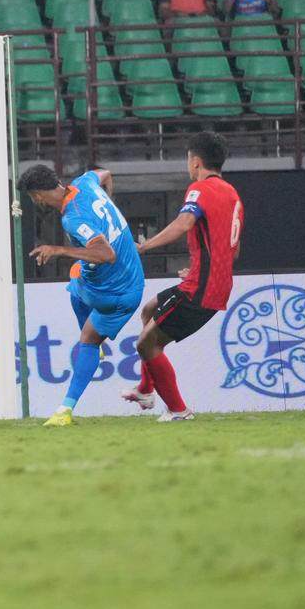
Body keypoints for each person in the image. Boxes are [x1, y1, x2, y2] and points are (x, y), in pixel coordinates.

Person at [127, 132, 244, 421]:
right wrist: (199, 269)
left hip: (200, 289)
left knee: (146, 344)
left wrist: (145, 246)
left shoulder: (199, 189)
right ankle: (145, 389)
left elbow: (184, 223)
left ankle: (179, 411)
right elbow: (234, 249)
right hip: (213, 284)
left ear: (195, 161)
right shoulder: (232, 194)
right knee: (150, 309)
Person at [18, 165, 146, 428]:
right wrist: (112, 218)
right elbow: (107, 173)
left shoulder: (73, 218)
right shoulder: (85, 182)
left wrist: (58, 249)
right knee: (77, 276)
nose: (36, 202)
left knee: (86, 332)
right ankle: (89, 354)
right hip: (134, 278)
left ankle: (66, 409)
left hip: (115, 292)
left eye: (33, 197)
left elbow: (106, 255)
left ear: (38, 195)